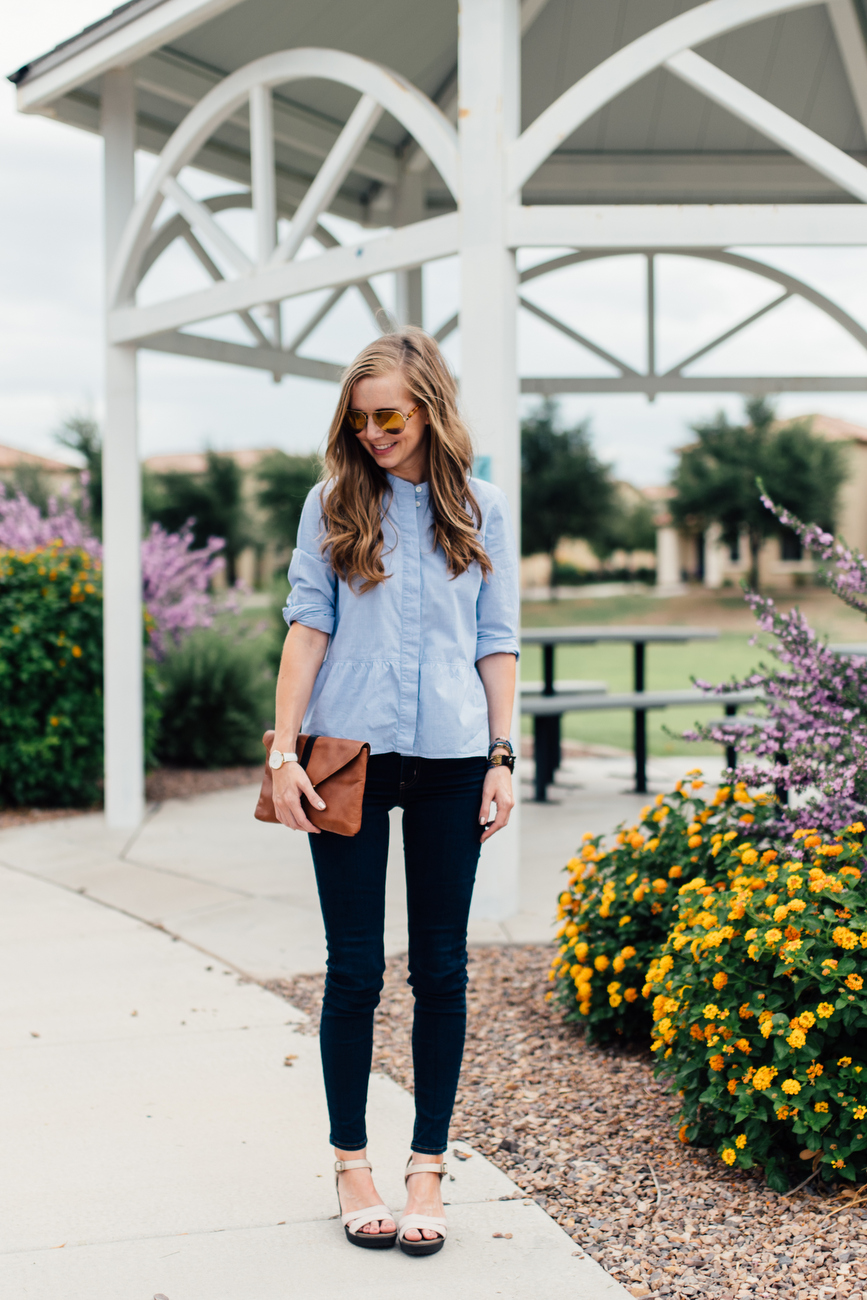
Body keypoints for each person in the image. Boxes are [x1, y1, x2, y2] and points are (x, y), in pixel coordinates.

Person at [270, 328, 519, 1256]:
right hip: (347, 754)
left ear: (429, 412)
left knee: (442, 971)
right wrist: (281, 752)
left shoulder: (482, 507)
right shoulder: (331, 502)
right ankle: (350, 1162)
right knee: (354, 969)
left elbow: (496, 636)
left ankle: (427, 1165)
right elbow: (306, 625)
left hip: (454, 754)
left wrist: (500, 757)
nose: (372, 433)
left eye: (390, 417)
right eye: (358, 418)